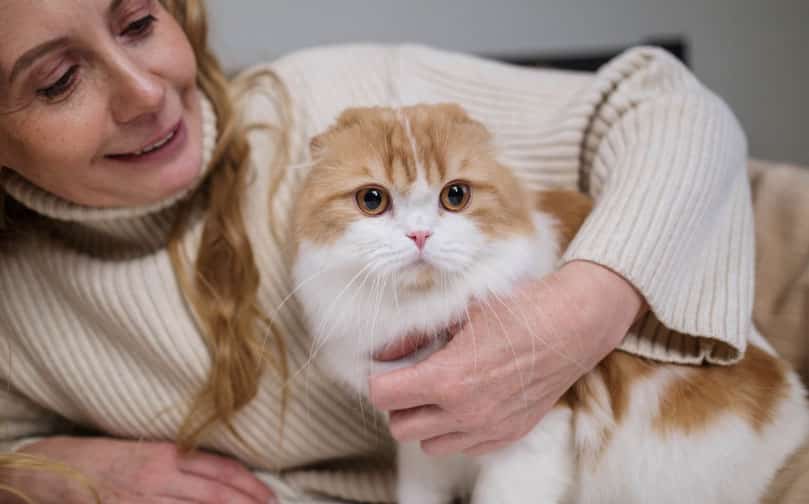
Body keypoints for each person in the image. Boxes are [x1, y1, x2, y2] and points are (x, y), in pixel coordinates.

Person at [0, 0, 753, 503]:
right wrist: (63, 472)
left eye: (136, 22)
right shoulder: (17, 299)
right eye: (60, 80)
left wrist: (571, 320)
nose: (146, 93)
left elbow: (670, 105)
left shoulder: (345, 97)